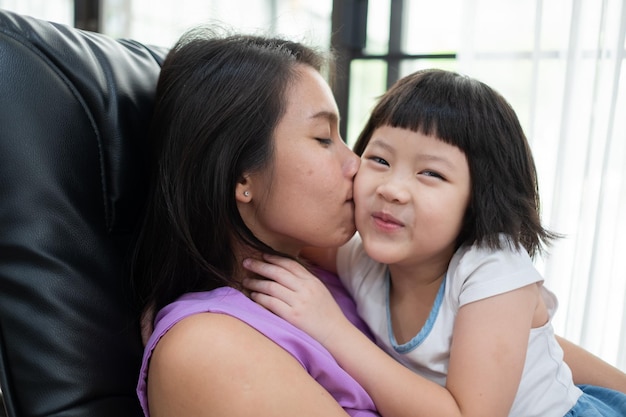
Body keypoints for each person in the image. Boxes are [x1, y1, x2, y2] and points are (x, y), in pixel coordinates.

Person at [242, 68, 626, 416]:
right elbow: (283, 230)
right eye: (379, 160)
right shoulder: (361, 260)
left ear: (479, 199)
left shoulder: (492, 271)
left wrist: (330, 328)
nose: (393, 189)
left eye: (430, 173)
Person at [130, 27, 379, 417]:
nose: (356, 164)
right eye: (323, 138)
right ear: (242, 177)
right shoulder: (207, 347)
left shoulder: (329, 278)